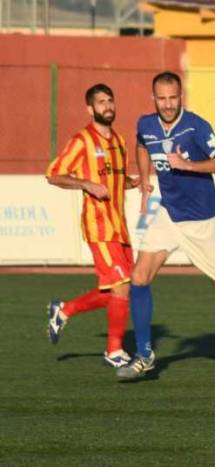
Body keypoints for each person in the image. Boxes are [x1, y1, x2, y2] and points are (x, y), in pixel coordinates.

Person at [117, 71, 215, 384]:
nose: (167, 104)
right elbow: (141, 145)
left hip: (204, 221)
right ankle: (145, 355)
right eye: (161, 98)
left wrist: (188, 165)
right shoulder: (146, 124)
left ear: (181, 97)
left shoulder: (195, 126)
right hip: (169, 214)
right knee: (139, 277)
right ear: (154, 98)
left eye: (172, 98)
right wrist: (146, 178)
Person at [46, 83, 138, 368]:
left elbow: (115, 179)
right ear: (90, 109)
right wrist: (85, 184)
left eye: (110, 100)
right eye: (100, 102)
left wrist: (131, 182)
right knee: (121, 286)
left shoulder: (120, 141)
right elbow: (53, 174)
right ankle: (113, 351)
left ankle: (64, 310)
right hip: (99, 227)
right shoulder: (81, 140)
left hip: (119, 226)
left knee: (119, 290)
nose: (107, 106)